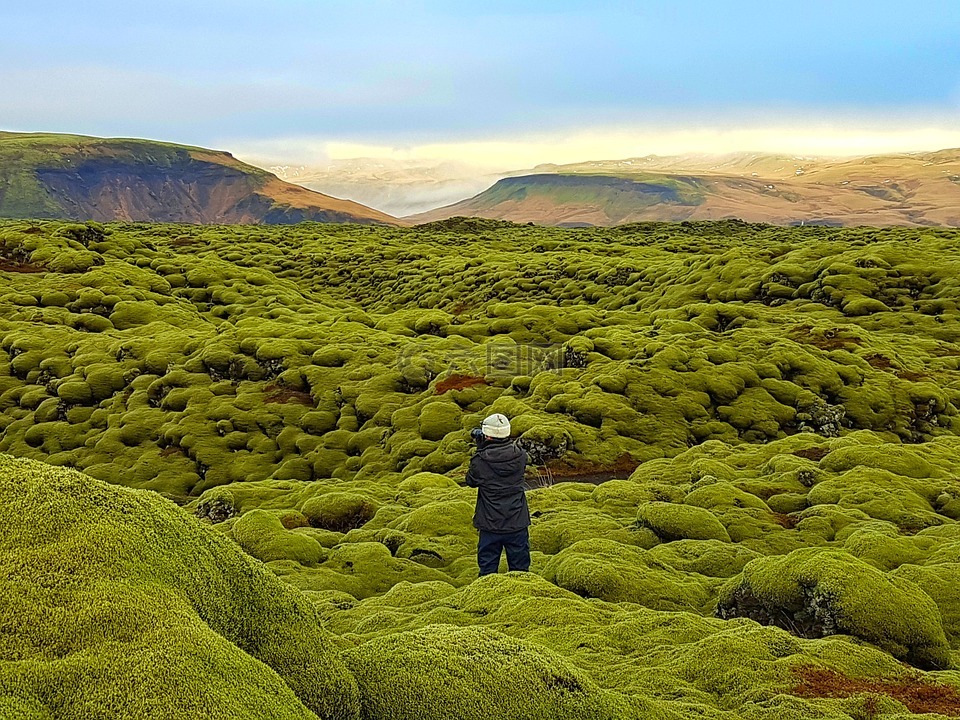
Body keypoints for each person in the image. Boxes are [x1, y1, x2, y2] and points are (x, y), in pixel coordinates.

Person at [465, 413, 530, 575]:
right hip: (517, 519)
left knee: (487, 570)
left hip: (490, 522)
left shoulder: (480, 461)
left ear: (487, 435)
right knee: (521, 571)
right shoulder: (521, 456)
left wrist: (481, 449)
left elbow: (471, 481)